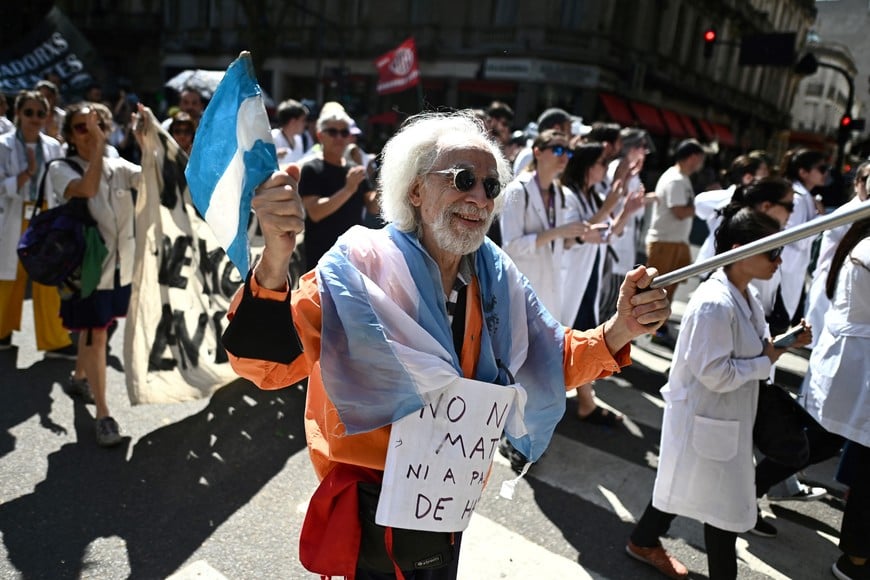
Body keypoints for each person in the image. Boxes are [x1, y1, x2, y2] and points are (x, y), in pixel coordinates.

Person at [222, 110, 670, 578]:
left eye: (491, 186)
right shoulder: (357, 272)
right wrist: (275, 258)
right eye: (462, 179)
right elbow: (265, 367)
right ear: (415, 190)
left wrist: (620, 328)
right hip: (369, 512)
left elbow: (549, 362)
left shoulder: (496, 280)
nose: (479, 196)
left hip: (446, 504)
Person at [626, 207, 807, 580]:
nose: (779, 260)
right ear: (740, 252)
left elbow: (751, 350)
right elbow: (715, 374)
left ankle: (643, 540)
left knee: (694, 493)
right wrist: (766, 360)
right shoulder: (713, 302)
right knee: (721, 510)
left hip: (724, 419)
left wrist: (782, 345)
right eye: (772, 251)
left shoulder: (744, 295)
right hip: (709, 416)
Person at [47, 102, 142, 447]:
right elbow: (86, 190)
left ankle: (78, 376)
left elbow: (150, 179)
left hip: (119, 269)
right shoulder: (61, 167)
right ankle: (103, 415)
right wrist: (101, 148)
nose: (91, 133)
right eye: (82, 127)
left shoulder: (119, 166)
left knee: (98, 329)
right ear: (70, 135)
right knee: (97, 334)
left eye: (97, 124)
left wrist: (147, 141)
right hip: (84, 271)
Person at [805, 216, 870, 580]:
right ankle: (855, 558)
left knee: (829, 444)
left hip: (856, 370)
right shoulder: (868, 245)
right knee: (817, 442)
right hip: (854, 371)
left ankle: (857, 553)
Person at [0, 90, 75, 359]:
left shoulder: (53, 146)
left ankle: (54, 339)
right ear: (17, 114)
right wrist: (23, 177)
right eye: (28, 112)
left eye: (40, 113)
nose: (34, 118)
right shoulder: (2, 144)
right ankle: (2, 331)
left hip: (44, 217)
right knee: (8, 278)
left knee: (47, 277)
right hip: (12, 214)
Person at [297, 102, 377, 271]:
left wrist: (388, 184)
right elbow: (315, 212)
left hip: (352, 255)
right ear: (320, 136)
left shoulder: (354, 169)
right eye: (333, 132)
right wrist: (348, 190)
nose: (339, 138)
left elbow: (373, 206)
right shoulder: (312, 168)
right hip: (321, 256)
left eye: (344, 132)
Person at [644, 138, 706, 346]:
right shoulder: (676, 179)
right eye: (700, 159)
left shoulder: (682, 178)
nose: (701, 165)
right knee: (657, 288)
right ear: (693, 157)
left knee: (668, 288)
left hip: (675, 241)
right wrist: (703, 207)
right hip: (665, 241)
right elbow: (679, 211)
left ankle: (657, 326)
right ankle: (650, 328)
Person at [271, 98, 309, 168]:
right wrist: (274, 155)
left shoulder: (298, 139)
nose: (305, 124)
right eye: (303, 120)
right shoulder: (273, 137)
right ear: (293, 122)